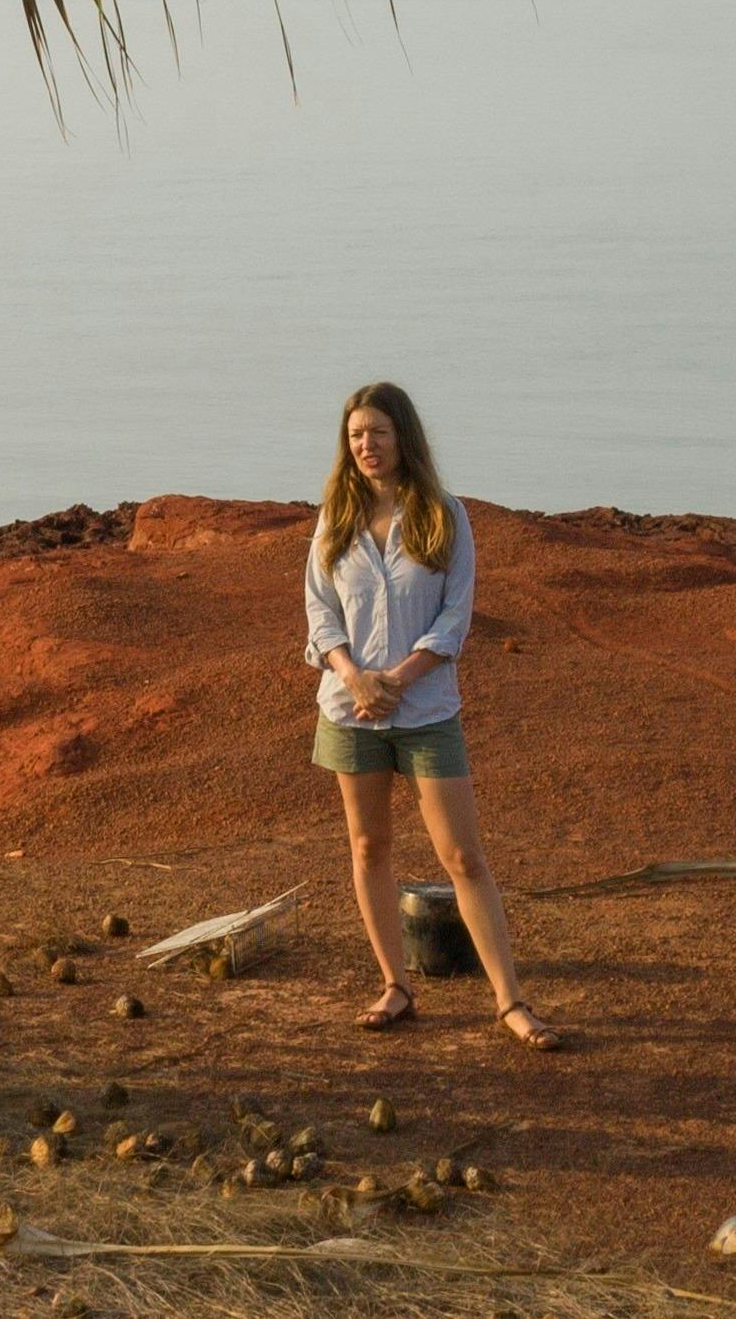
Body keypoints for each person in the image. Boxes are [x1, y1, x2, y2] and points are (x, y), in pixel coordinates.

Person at [306, 380, 553, 1046]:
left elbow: (454, 617)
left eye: (377, 433)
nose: (366, 446)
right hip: (349, 710)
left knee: (462, 856)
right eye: (356, 435)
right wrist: (356, 677)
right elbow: (320, 615)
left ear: (402, 438)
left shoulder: (444, 515)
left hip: (426, 710)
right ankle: (394, 985)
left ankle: (509, 1002)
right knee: (368, 847)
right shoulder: (335, 517)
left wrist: (396, 678)